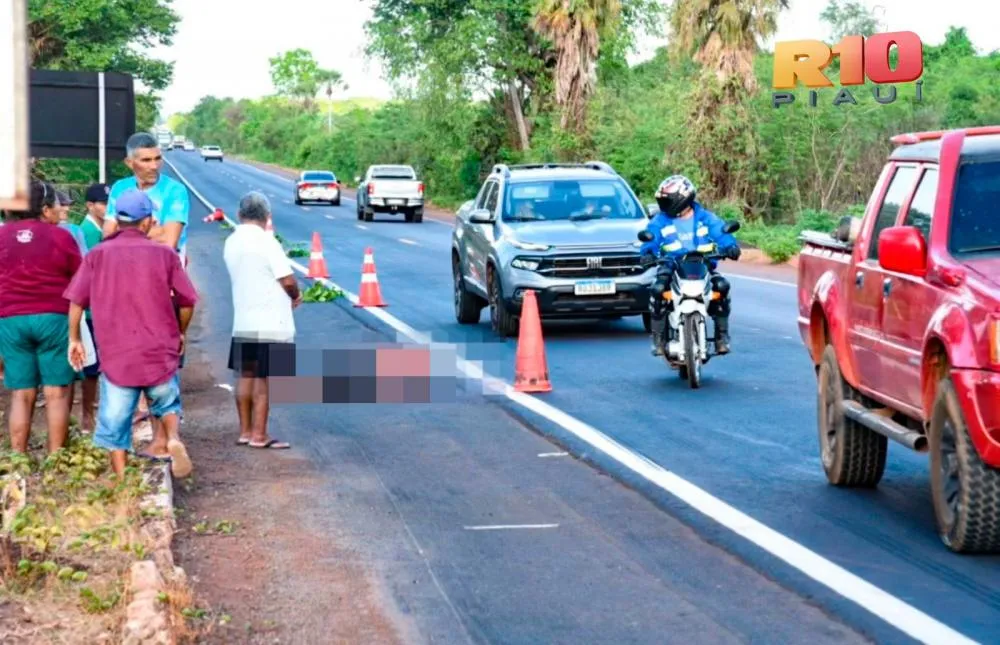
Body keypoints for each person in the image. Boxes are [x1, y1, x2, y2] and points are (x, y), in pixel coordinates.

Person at [65, 189, 198, 478]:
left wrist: (74, 338)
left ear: (119, 220)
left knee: (115, 420)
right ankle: (172, 438)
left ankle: (123, 480)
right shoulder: (164, 254)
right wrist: (181, 332)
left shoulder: (98, 254)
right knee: (167, 401)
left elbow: (76, 300)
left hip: (116, 352)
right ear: (147, 221)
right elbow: (188, 301)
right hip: (159, 346)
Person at [104, 132, 192, 447]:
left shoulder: (175, 191)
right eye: (145, 160)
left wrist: (128, 233)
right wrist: (152, 231)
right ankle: (148, 427)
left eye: (157, 158)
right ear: (130, 163)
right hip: (125, 285)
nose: (154, 165)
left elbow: (169, 242)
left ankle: (163, 437)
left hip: (164, 287)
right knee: (127, 350)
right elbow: (106, 237)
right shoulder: (119, 189)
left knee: (163, 356)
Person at [0, 180, 83, 453]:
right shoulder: (61, 237)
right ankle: (55, 456)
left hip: (11, 319)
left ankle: (18, 459)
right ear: (44, 209)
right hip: (53, 317)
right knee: (56, 391)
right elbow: (79, 278)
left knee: (21, 393)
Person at [223, 192, 301, 449]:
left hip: (243, 319)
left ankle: (244, 432)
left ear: (239, 214)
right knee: (263, 381)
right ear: (267, 216)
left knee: (244, 376)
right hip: (270, 321)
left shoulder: (231, 241)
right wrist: (295, 296)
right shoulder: (268, 243)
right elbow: (287, 279)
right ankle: (259, 435)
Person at [640, 175, 741, 357]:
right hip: (670, 266)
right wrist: (647, 253)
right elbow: (651, 237)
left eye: (667, 200)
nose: (663, 204)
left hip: (702, 266)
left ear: (682, 198)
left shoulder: (705, 217)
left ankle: (721, 337)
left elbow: (720, 231)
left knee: (722, 287)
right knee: (657, 289)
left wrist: (731, 247)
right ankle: (658, 338)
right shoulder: (660, 220)